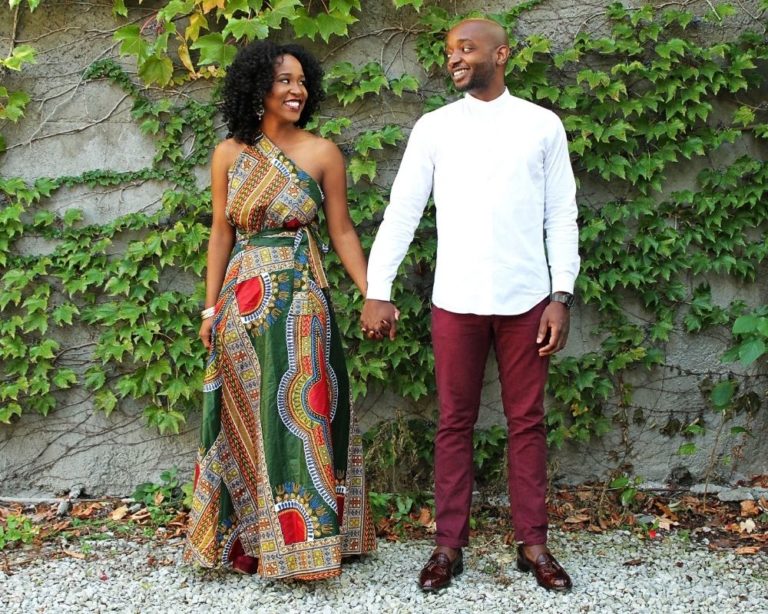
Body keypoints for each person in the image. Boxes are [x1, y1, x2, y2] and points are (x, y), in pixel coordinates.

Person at [361, 18, 579, 592]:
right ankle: (447, 547)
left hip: (527, 301)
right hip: (455, 300)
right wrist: (377, 290)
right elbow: (403, 211)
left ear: (500, 54)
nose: (453, 58)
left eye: (465, 48)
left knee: (527, 423)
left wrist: (561, 295)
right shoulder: (435, 128)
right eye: (448, 51)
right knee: (454, 423)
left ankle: (533, 545)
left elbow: (561, 215)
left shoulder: (541, 126)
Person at [184, 40, 376, 581]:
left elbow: (340, 229)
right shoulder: (228, 153)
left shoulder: (323, 152)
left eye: (301, 81)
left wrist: (369, 292)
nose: (297, 90)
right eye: (284, 81)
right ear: (257, 88)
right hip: (240, 310)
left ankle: (309, 544)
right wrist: (208, 308)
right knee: (244, 419)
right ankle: (247, 541)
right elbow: (221, 234)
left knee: (301, 412)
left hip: (301, 303)